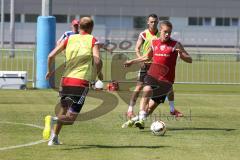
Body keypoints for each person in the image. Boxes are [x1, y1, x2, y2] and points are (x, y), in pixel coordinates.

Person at [43, 17, 102, 145]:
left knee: (63, 109)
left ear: (79, 26)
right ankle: (52, 119)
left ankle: (54, 138)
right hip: (80, 82)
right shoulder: (92, 40)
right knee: (70, 119)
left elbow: (50, 56)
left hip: (65, 80)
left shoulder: (69, 38)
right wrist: (99, 73)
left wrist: (49, 71)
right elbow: (97, 60)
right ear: (91, 28)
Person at [122, 20, 192, 129]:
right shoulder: (154, 43)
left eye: (169, 32)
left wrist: (182, 55)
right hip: (152, 75)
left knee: (150, 108)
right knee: (147, 89)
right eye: (165, 32)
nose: (167, 34)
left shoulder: (176, 44)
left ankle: (136, 120)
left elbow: (190, 59)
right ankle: (141, 118)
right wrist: (132, 61)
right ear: (160, 31)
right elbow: (146, 57)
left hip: (166, 81)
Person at [126, 14, 182, 119]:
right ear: (148, 22)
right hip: (145, 65)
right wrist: (138, 60)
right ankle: (130, 110)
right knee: (139, 87)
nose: (153, 23)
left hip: (157, 67)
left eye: (155, 22)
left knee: (169, 89)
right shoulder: (144, 34)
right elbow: (137, 48)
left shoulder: (161, 33)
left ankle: (172, 109)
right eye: (151, 21)